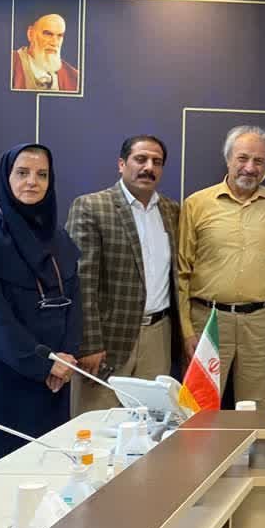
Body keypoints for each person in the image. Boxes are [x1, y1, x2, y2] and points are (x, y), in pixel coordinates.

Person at [0, 144, 81, 485]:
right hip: (0, 378)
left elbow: (75, 302)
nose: (32, 182)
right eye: (22, 173)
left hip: (51, 382)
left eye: (42, 175)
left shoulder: (58, 237)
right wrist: (43, 363)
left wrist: (67, 356)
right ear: (6, 178)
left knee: (45, 478)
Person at [177, 125, 265, 410]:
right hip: (208, 322)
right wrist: (186, 330)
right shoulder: (196, 204)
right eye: (243, 158)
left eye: (259, 161)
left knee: (255, 409)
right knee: (198, 409)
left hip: (262, 323)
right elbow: (182, 272)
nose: (250, 168)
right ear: (228, 159)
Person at [66, 135, 180, 415]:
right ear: (121, 164)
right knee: (96, 424)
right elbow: (82, 281)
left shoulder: (172, 210)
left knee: (153, 424)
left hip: (158, 337)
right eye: (140, 159)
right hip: (107, 341)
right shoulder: (91, 207)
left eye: (156, 162)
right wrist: (89, 343)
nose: (148, 167)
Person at [11, 13, 80, 93]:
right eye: (48, 34)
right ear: (30, 34)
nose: (54, 43)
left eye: (60, 36)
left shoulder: (74, 77)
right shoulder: (8, 63)